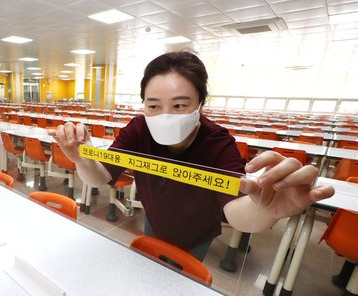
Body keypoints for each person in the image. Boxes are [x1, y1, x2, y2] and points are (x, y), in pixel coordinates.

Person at [48, 51, 335, 261]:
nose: (164, 116)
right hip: (154, 220)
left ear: (200, 104)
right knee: (151, 276)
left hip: (196, 234)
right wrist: (82, 159)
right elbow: (100, 177)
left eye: (179, 105)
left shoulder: (218, 144)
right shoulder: (138, 129)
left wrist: (267, 211)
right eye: (153, 105)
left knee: (183, 284)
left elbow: (236, 212)